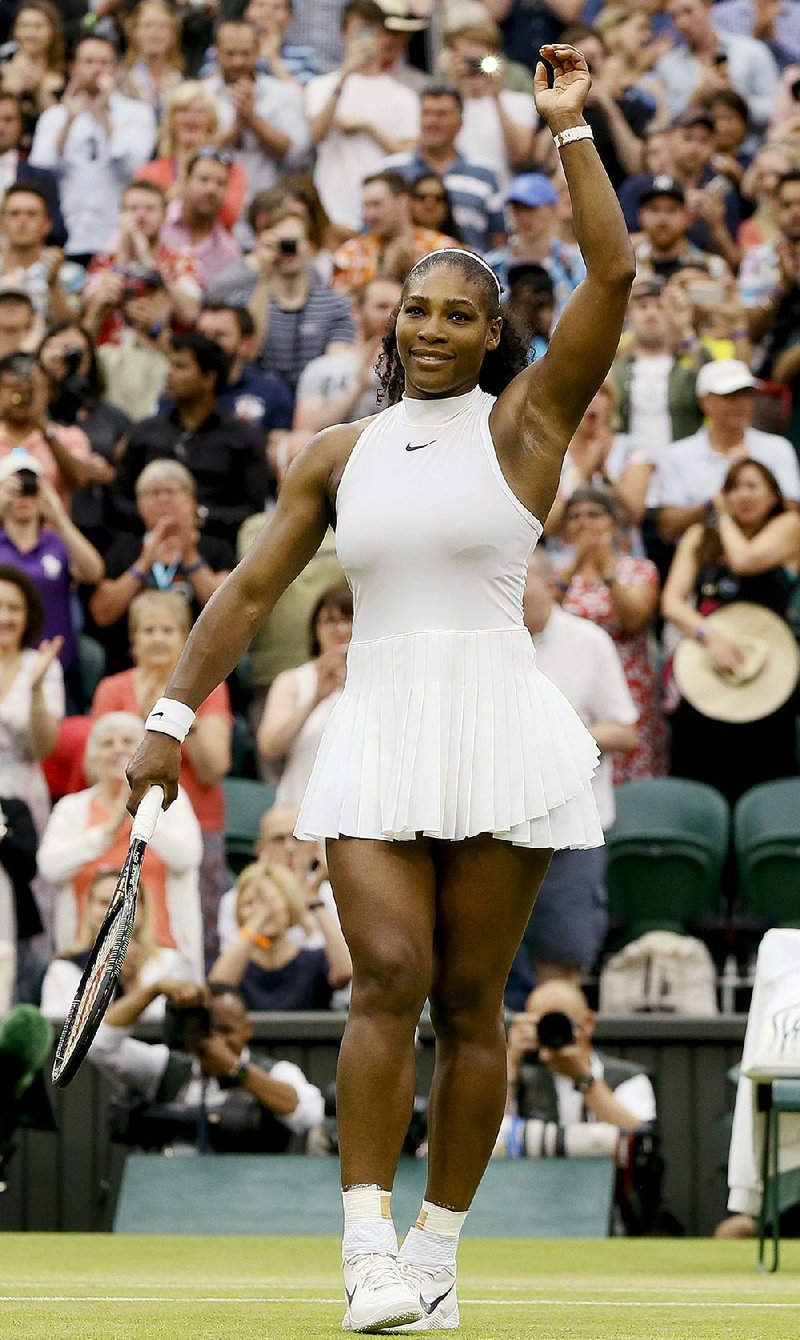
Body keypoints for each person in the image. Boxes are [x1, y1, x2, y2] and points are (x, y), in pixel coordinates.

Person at [125, 41, 635, 1333]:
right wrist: (169, 721)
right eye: (418, 309)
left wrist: (569, 127)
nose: (435, 329)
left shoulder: (525, 428)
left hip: (499, 724)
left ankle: (439, 1253)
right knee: (388, 975)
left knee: (474, 1006)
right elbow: (240, 595)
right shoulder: (335, 453)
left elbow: (615, 271)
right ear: (392, 318)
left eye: (462, 314)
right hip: (383, 727)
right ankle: (364, 1251)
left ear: (494, 334)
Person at [93, 590, 232, 970]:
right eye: (148, 630)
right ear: (133, 639)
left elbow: (214, 766)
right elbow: (99, 767)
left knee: (196, 932)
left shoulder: (211, 687)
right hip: (125, 824)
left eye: (168, 630)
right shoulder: (112, 689)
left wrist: (182, 719)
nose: (157, 638)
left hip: (195, 824)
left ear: (186, 638)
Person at [522, 549, 638, 982]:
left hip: (571, 827)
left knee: (561, 955)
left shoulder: (588, 641)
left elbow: (624, 730)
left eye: (521, 576)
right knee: (482, 972)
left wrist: (560, 740)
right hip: (493, 827)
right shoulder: (484, 644)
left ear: (551, 585)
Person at [661, 456, 800, 803]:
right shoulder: (699, 536)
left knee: (763, 784)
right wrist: (710, 636)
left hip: (769, 677)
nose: (742, 495)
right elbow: (673, 602)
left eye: (752, 486)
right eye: (733, 487)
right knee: (701, 779)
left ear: (773, 495)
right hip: (708, 671)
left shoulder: (790, 525)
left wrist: (721, 515)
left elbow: (745, 560)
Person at [37, 711, 203, 978]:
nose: (118, 749)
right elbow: (50, 867)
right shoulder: (72, 808)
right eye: (107, 743)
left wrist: (140, 812)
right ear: (92, 758)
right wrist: (106, 832)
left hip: (162, 956)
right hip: (87, 958)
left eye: (128, 742)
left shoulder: (172, 799)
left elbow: (188, 856)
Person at [89, 979, 325, 1154]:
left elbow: (309, 1113)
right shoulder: (168, 1067)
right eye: (208, 1031)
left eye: (225, 1031)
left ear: (246, 1029)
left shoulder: (277, 1071)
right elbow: (99, 1045)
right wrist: (155, 989)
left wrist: (236, 1070)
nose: (216, 1041)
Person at [504, 979, 658, 1230]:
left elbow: (640, 1141)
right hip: (528, 1206)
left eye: (560, 1023)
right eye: (542, 1025)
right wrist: (510, 1063)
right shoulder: (521, 1077)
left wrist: (584, 1079)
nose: (552, 1033)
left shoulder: (626, 1078)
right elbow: (491, 1137)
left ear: (587, 1024)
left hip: (611, 1212)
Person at [111, 331, 270, 549]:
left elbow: (253, 511)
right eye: (171, 365)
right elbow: (117, 499)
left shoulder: (243, 438)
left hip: (216, 550)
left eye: (181, 367)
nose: (170, 374)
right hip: (144, 546)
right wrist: (154, 515)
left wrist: (200, 516)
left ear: (209, 378)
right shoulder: (145, 432)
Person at [556, 486, 668, 785]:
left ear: (613, 522)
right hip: (572, 685)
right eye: (576, 516)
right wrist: (573, 569)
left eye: (594, 514)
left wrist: (607, 570)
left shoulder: (639, 570)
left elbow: (634, 620)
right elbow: (541, 616)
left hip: (628, 682)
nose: (585, 522)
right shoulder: (557, 574)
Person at [89, 458, 234, 675]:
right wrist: (144, 563)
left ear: (192, 500)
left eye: (172, 492)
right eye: (154, 493)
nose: (163, 500)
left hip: (202, 668)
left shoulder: (216, 548)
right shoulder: (125, 549)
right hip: (130, 665)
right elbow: (102, 614)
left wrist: (189, 554)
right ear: (140, 505)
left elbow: (226, 612)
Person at [28, 33, 156, 264]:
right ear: (73, 68)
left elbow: (133, 166)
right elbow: (40, 170)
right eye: (88, 62)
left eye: (104, 62)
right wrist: (68, 122)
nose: (97, 70)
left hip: (117, 239)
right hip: (66, 237)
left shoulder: (137, 113)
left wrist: (103, 115)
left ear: (116, 69)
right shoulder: (54, 117)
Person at [305, 0, 420, 238]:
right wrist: (345, 74)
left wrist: (369, 127)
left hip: (382, 213)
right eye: (359, 31)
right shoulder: (320, 86)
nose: (366, 39)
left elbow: (408, 155)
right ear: (343, 35)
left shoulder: (404, 96)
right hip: (331, 209)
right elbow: (317, 133)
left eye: (372, 31)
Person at [655, 359, 800, 544]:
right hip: (701, 561)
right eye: (730, 395)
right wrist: (718, 500)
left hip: (767, 557)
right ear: (704, 401)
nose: (741, 403)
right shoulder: (677, 455)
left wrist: (754, 476)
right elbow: (668, 528)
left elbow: (792, 514)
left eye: (747, 394)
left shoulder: (778, 448)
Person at [0, 450, 103, 709]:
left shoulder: (57, 542)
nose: (23, 496)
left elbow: (93, 572)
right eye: (14, 487)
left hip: (58, 664)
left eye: (30, 487)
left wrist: (58, 515)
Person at [39, 863, 193, 1021]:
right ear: (89, 907)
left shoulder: (168, 963)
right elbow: (59, 1029)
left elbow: (165, 1026)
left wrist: (132, 983)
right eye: (104, 902)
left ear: (142, 908)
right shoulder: (64, 969)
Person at [208, 859, 352, 1010]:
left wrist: (314, 901)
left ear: (290, 904)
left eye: (270, 900)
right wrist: (257, 919)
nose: (262, 908)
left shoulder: (313, 961)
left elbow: (344, 972)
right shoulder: (237, 965)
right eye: (249, 903)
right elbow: (219, 985)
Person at [257, 581, 352, 805]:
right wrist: (314, 700)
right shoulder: (293, 681)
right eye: (330, 620)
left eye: (349, 619)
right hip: (301, 803)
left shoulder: (380, 681)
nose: (341, 630)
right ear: (315, 628)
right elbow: (269, 746)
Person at [382, 83, 507, 252]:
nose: (432, 122)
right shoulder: (392, 171)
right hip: (404, 273)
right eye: (427, 113)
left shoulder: (484, 174)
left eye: (442, 114)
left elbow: (498, 240)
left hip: (469, 272)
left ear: (460, 123)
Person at [83, 178, 202, 344]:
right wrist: (122, 259)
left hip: (161, 354)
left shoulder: (180, 258)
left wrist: (148, 262)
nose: (140, 216)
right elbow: (88, 312)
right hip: (109, 354)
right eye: (132, 209)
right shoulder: (103, 261)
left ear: (164, 215)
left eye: (150, 209)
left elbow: (190, 314)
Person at [205, 17, 311, 202]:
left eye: (245, 53)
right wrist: (236, 128)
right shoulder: (202, 94)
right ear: (216, 52)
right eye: (230, 54)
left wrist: (252, 119)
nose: (238, 61)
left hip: (270, 200)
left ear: (258, 49)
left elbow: (294, 152)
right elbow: (196, 153)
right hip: (213, 202)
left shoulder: (284, 93)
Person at [0, 563, 63, 838]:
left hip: (23, 796)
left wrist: (36, 688)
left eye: (14, 608)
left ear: (28, 615)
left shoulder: (42, 665)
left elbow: (43, 747)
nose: (4, 617)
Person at [134, 80, 247, 232]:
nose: (191, 119)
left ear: (211, 122)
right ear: (171, 121)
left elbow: (229, 219)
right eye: (183, 111)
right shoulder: (148, 172)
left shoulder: (231, 170)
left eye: (200, 112)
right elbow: (141, 220)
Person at [293, 277, 400, 433]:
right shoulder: (323, 368)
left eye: (398, 309)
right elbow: (304, 431)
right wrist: (358, 387)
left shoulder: (409, 369)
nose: (391, 315)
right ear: (356, 312)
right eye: (381, 307)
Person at [331, 170, 459, 297]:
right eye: (366, 206)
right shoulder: (351, 253)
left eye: (377, 204)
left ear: (404, 202)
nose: (369, 214)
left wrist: (414, 272)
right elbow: (338, 308)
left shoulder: (441, 249)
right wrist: (386, 274)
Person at [656, 0, 779, 130]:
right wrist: (697, 99)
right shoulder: (666, 65)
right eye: (674, 16)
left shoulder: (751, 51)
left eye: (688, 11)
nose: (682, 23)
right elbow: (665, 125)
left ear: (708, 7)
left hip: (749, 146)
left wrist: (734, 98)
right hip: (693, 146)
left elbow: (774, 111)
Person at [485, 172, 585, 321]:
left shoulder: (574, 267)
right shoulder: (491, 266)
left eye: (531, 208)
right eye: (517, 209)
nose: (524, 217)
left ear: (552, 209)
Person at [196, 301, 293, 435]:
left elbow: (280, 444)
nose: (208, 342)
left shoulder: (272, 391)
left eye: (219, 335)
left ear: (245, 344)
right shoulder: (180, 388)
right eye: (202, 334)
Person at [158, 148, 242, 292]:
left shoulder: (229, 252)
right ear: (185, 182)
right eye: (204, 179)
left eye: (220, 183)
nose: (211, 189)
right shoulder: (155, 223)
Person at [0, 183, 82, 328]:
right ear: (1, 224)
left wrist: (54, 284)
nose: (22, 221)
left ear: (47, 225)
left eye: (31, 214)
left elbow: (71, 331)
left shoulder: (70, 274)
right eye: (14, 213)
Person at [0, 91, 64, 245]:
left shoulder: (41, 177)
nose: (1, 126)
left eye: (8, 119)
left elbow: (57, 231)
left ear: (20, 124)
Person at [0, 1, 65, 152]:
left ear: (52, 31)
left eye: (38, 26)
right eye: (24, 26)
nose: (30, 33)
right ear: (15, 30)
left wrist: (40, 89)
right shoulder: (3, 70)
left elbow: (65, 125)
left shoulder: (67, 73)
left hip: (49, 153)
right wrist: (8, 88)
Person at [116, 0, 183, 120]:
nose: (154, 32)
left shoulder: (180, 81)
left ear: (173, 34)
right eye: (147, 25)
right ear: (134, 32)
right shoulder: (119, 78)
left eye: (162, 26)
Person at [407, 171, 462, 242]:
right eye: (422, 197)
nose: (430, 205)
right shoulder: (394, 245)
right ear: (409, 202)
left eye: (438, 198)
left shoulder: (458, 249)